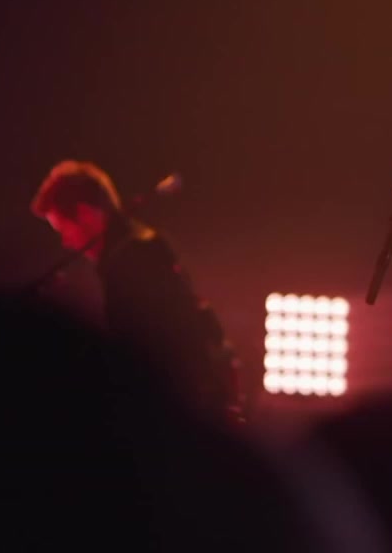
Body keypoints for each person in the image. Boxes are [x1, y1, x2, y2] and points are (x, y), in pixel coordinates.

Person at [30, 160, 244, 424]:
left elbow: (154, 351)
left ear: (85, 214)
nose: (66, 242)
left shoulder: (135, 258)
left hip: (176, 415)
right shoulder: (132, 251)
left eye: (64, 229)